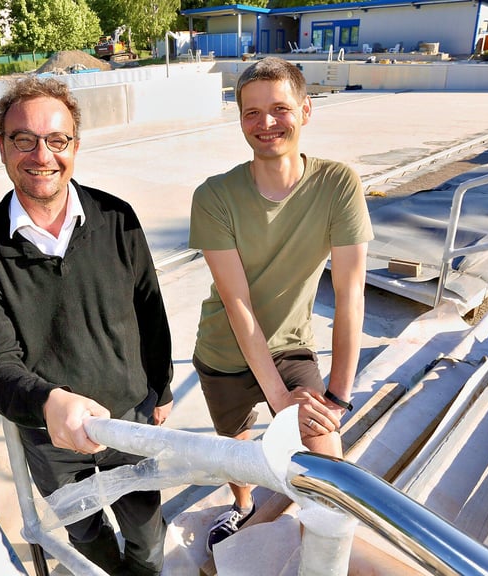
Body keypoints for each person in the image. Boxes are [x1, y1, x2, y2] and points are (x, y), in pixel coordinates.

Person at [0, 76, 174, 576]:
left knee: (147, 535)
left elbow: (151, 312)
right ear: (2, 147)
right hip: (48, 441)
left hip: (128, 424)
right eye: (24, 140)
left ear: (75, 145)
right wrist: (49, 404)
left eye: (57, 140)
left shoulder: (119, 219)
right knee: (85, 535)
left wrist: (159, 390)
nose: (42, 155)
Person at [188, 57, 373, 553]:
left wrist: (336, 397)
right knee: (236, 447)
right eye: (252, 112)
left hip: (291, 346)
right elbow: (236, 302)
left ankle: (326, 549)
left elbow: (351, 291)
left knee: (325, 455)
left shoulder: (337, 184)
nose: (266, 123)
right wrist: (277, 400)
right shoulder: (214, 196)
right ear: (240, 119)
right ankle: (243, 505)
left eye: (279, 108)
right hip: (225, 348)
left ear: (306, 110)